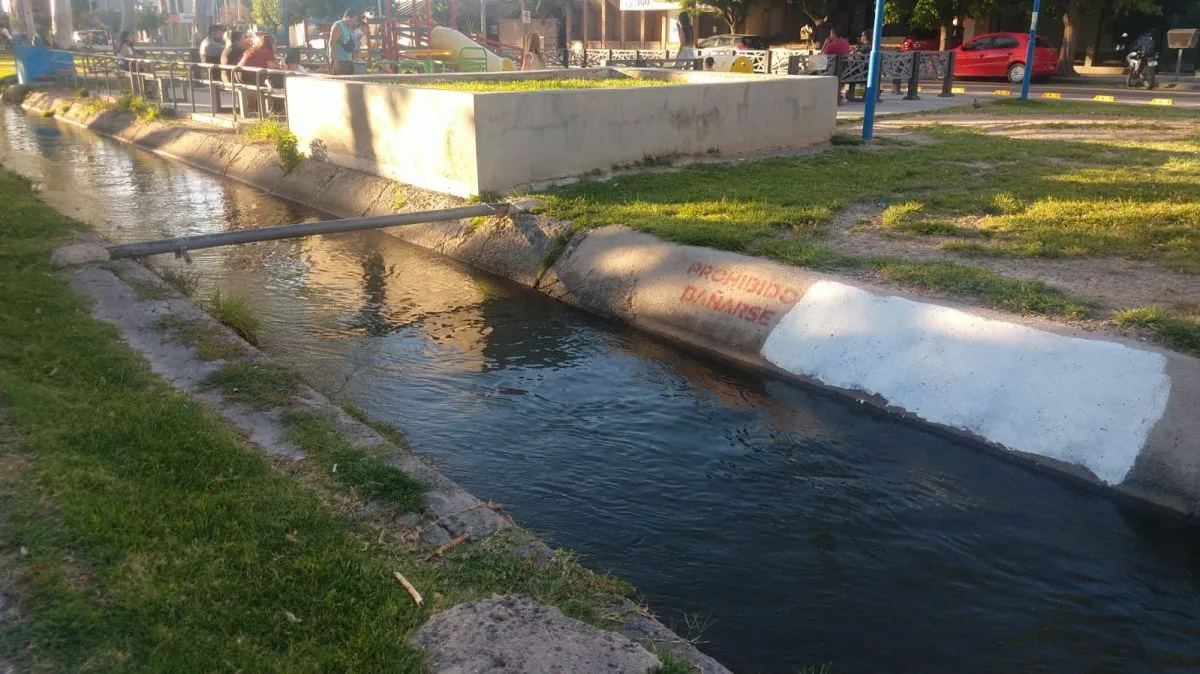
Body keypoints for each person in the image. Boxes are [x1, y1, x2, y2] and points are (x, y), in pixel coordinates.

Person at [329, 9, 360, 75]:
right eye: (354, 20)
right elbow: (332, 42)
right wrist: (335, 60)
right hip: (339, 60)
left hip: (348, 60)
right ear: (348, 17)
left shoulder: (349, 28)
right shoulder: (338, 25)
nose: (355, 22)